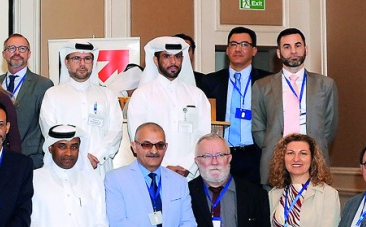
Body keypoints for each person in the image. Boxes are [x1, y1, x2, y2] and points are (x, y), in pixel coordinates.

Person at [252, 29, 339, 185]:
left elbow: (329, 127)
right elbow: (258, 128)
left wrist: (311, 151)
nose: (293, 51)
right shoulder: (262, 86)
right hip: (276, 163)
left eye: (298, 45)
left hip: (313, 163)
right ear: (278, 53)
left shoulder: (325, 85)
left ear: (306, 49)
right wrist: (278, 151)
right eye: (287, 47)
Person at [126, 36, 212, 179]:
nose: (173, 62)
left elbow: (203, 136)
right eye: (167, 56)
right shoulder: (142, 95)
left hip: (190, 175)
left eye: (178, 56)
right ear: (155, 60)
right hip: (153, 173)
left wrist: (186, 166)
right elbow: (139, 138)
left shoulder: (197, 95)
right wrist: (164, 167)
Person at [38, 41, 124, 177]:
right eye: (76, 58)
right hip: (64, 167)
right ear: (66, 62)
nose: (82, 64)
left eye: (87, 59)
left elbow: (116, 130)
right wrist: (75, 156)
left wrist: (97, 155)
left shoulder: (107, 95)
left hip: (99, 166)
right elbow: (50, 130)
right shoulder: (53, 94)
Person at [198, 27, 271, 185]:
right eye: (233, 44)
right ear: (227, 50)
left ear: (254, 50)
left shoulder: (268, 81)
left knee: (255, 204)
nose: (238, 49)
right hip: (222, 154)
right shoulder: (210, 82)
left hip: (256, 154)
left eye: (244, 44)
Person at [0, 34, 55, 168]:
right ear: (4, 54)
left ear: (29, 54)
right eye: (11, 48)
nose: (17, 52)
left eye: (22, 48)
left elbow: (47, 125)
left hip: (31, 160)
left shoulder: (43, 85)